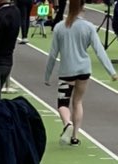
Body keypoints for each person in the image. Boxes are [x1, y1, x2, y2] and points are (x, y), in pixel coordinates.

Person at [44, 0, 116, 146]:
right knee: (77, 102)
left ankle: (67, 124)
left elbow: (53, 54)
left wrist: (47, 75)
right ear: (83, 7)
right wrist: (111, 72)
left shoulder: (59, 27)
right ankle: (75, 136)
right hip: (84, 70)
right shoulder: (89, 27)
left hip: (67, 71)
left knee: (63, 103)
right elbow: (99, 50)